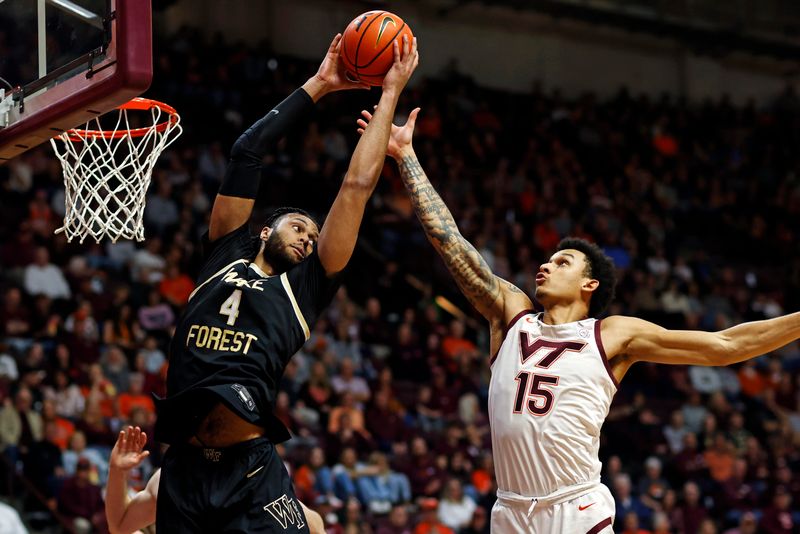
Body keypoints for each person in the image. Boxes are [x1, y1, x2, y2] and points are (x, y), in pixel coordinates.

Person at [356, 106, 800, 533]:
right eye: (546, 260)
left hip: (575, 506)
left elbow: (726, 346)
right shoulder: (513, 316)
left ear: (589, 285)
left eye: (563, 262)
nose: (546, 266)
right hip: (510, 509)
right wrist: (407, 157)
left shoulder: (612, 333)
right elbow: (450, 242)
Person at [153, 34, 419, 533]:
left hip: (250, 473)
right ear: (263, 229)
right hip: (183, 470)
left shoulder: (307, 287)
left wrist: (388, 96)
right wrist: (319, 84)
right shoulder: (224, 249)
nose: (307, 238)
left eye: (312, 235)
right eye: (298, 226)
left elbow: (356, 188)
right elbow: (247, 151)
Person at [105, 426, 326, 534]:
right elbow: (121, 523)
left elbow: (314, 524)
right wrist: (117, 471)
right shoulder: (172, 477)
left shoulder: (260, 478)